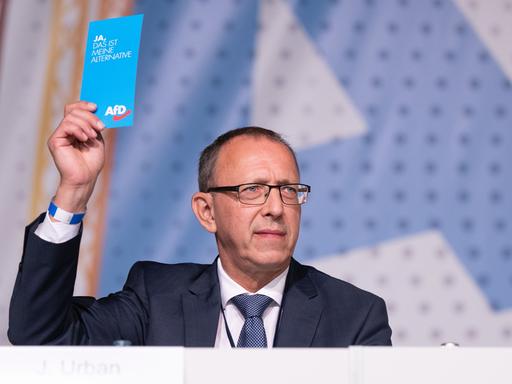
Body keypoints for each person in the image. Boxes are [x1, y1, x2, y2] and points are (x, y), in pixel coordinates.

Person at [8, 102, 392, 347]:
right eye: (253, 189)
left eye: (289, 190)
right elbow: (41, 336)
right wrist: (75, 189)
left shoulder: (355, 316)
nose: (276, 207)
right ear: (206, 211)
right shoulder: (154, 298)